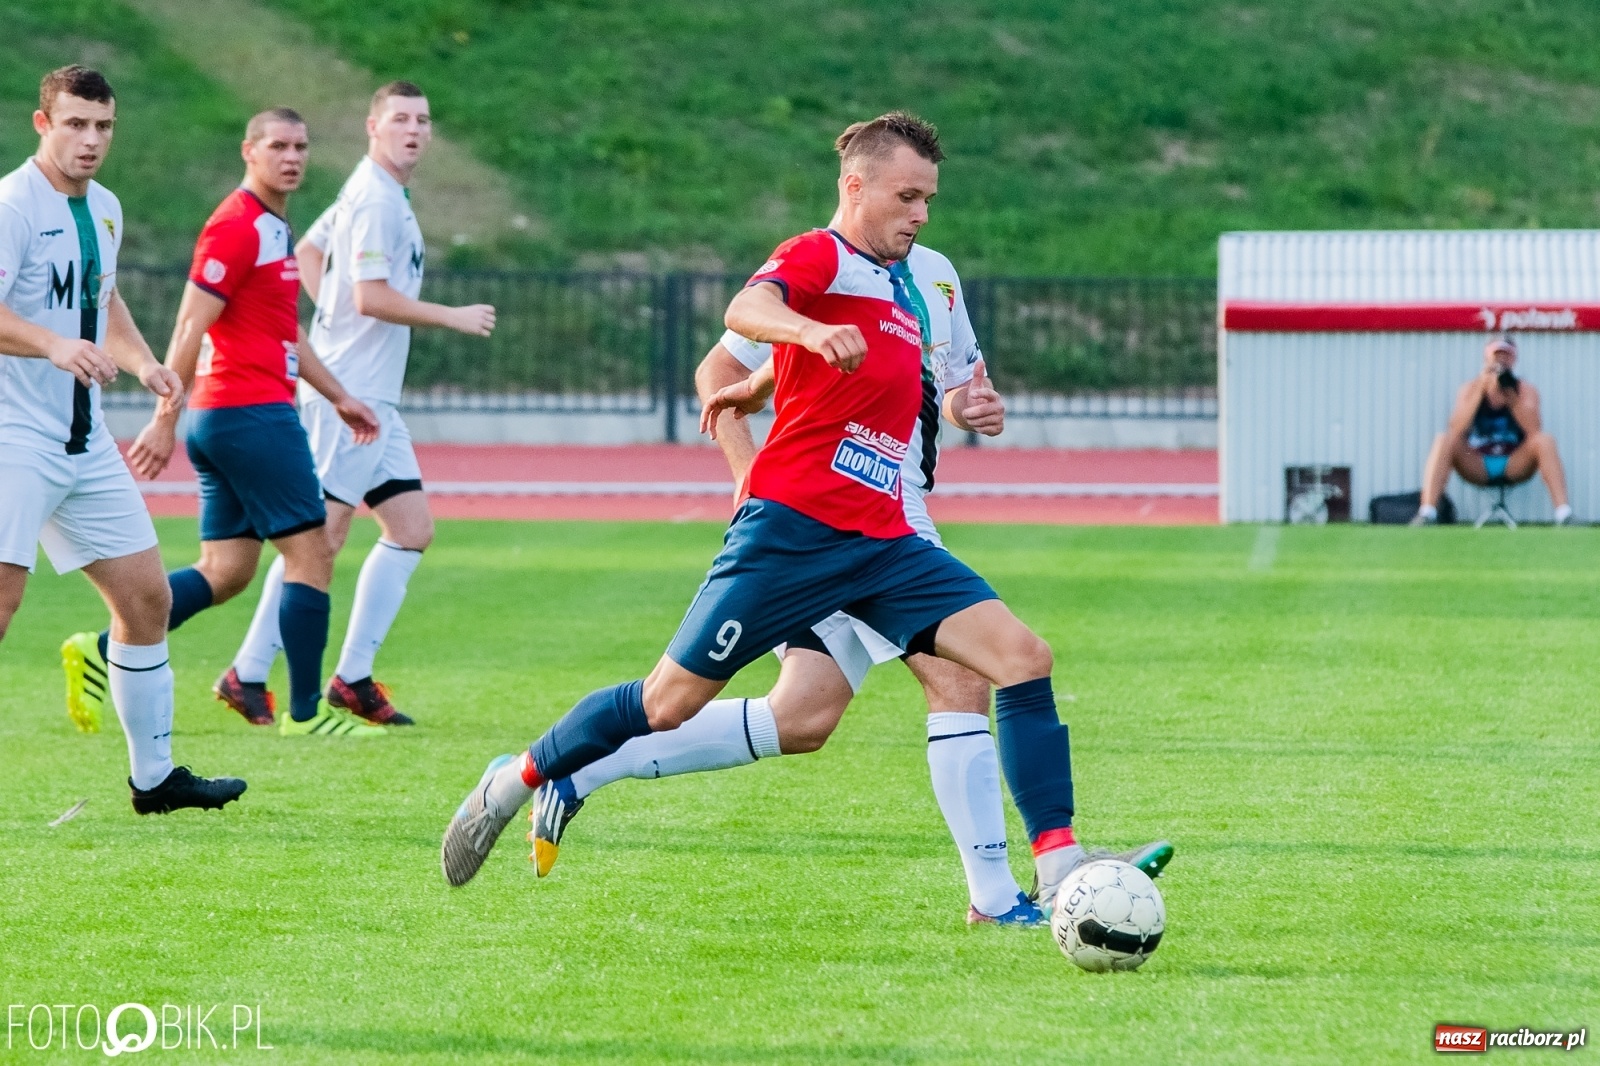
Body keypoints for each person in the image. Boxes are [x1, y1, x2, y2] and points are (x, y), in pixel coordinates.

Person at [441, 113, 1170, 916]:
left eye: (928, 199)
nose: (921, 214)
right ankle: (518, 778)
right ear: (855, 187)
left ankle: (1056, 868)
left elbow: (898, 377)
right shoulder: (823, 256)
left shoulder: (911, 285)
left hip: (885, 540)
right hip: (794, 534)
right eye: (907, 197)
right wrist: (802, 336)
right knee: (666, 702)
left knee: (1019, 658)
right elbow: (748, 309)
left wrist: (957, 402)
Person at [64, 106, 388, 739]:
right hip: (250, 413)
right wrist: (164, 417)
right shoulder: (237, 224)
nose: (291, 158)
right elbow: (191, 321)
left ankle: (98, 649)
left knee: (228, 570)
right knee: (312, 552)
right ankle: (306, 715)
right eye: (278, 146)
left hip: (234, 417)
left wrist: (338, 395)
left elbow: (284, 329)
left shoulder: (273, 226)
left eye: (300, 147)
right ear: (249, 151)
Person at [0, 65, 245, 811]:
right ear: (43, 124)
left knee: (146, 600)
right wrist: (52, 344)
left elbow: (103, 302)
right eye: (75, 124)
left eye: (103, 126)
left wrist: (144, 364)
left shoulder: (104, 207)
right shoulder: (12, 205)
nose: (91, 139)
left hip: (84, 442)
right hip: (14, 440)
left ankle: (155, 780)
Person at [223, 80, 496, 727]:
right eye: (400, 119)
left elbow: (309, 251)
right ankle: (248, 674)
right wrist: (450, 315)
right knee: (316, 540)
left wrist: (331, 319)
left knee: (410, 529)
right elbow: (370, 297)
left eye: (422, 120)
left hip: (374, 398)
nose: (414, 130)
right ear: (373, 127)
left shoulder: (375, 190)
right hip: (348, 397)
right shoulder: (374, 197)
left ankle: (352, 678)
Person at [1413, 336, 1572, 525]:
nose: (1501, 360)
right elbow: (1456, 428)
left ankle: (1564, 514)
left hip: (1513, 461)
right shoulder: (1470, 388)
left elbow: (1534, 429)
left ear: (1514, 359)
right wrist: (1481, 390)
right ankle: (1427, 513)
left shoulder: (1525, 390)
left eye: (1506, 355)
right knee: (1444, 439)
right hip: (1477, 460)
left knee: (1545, 440)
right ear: (1487, 357)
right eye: (1497, 355)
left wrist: (1511, 398)